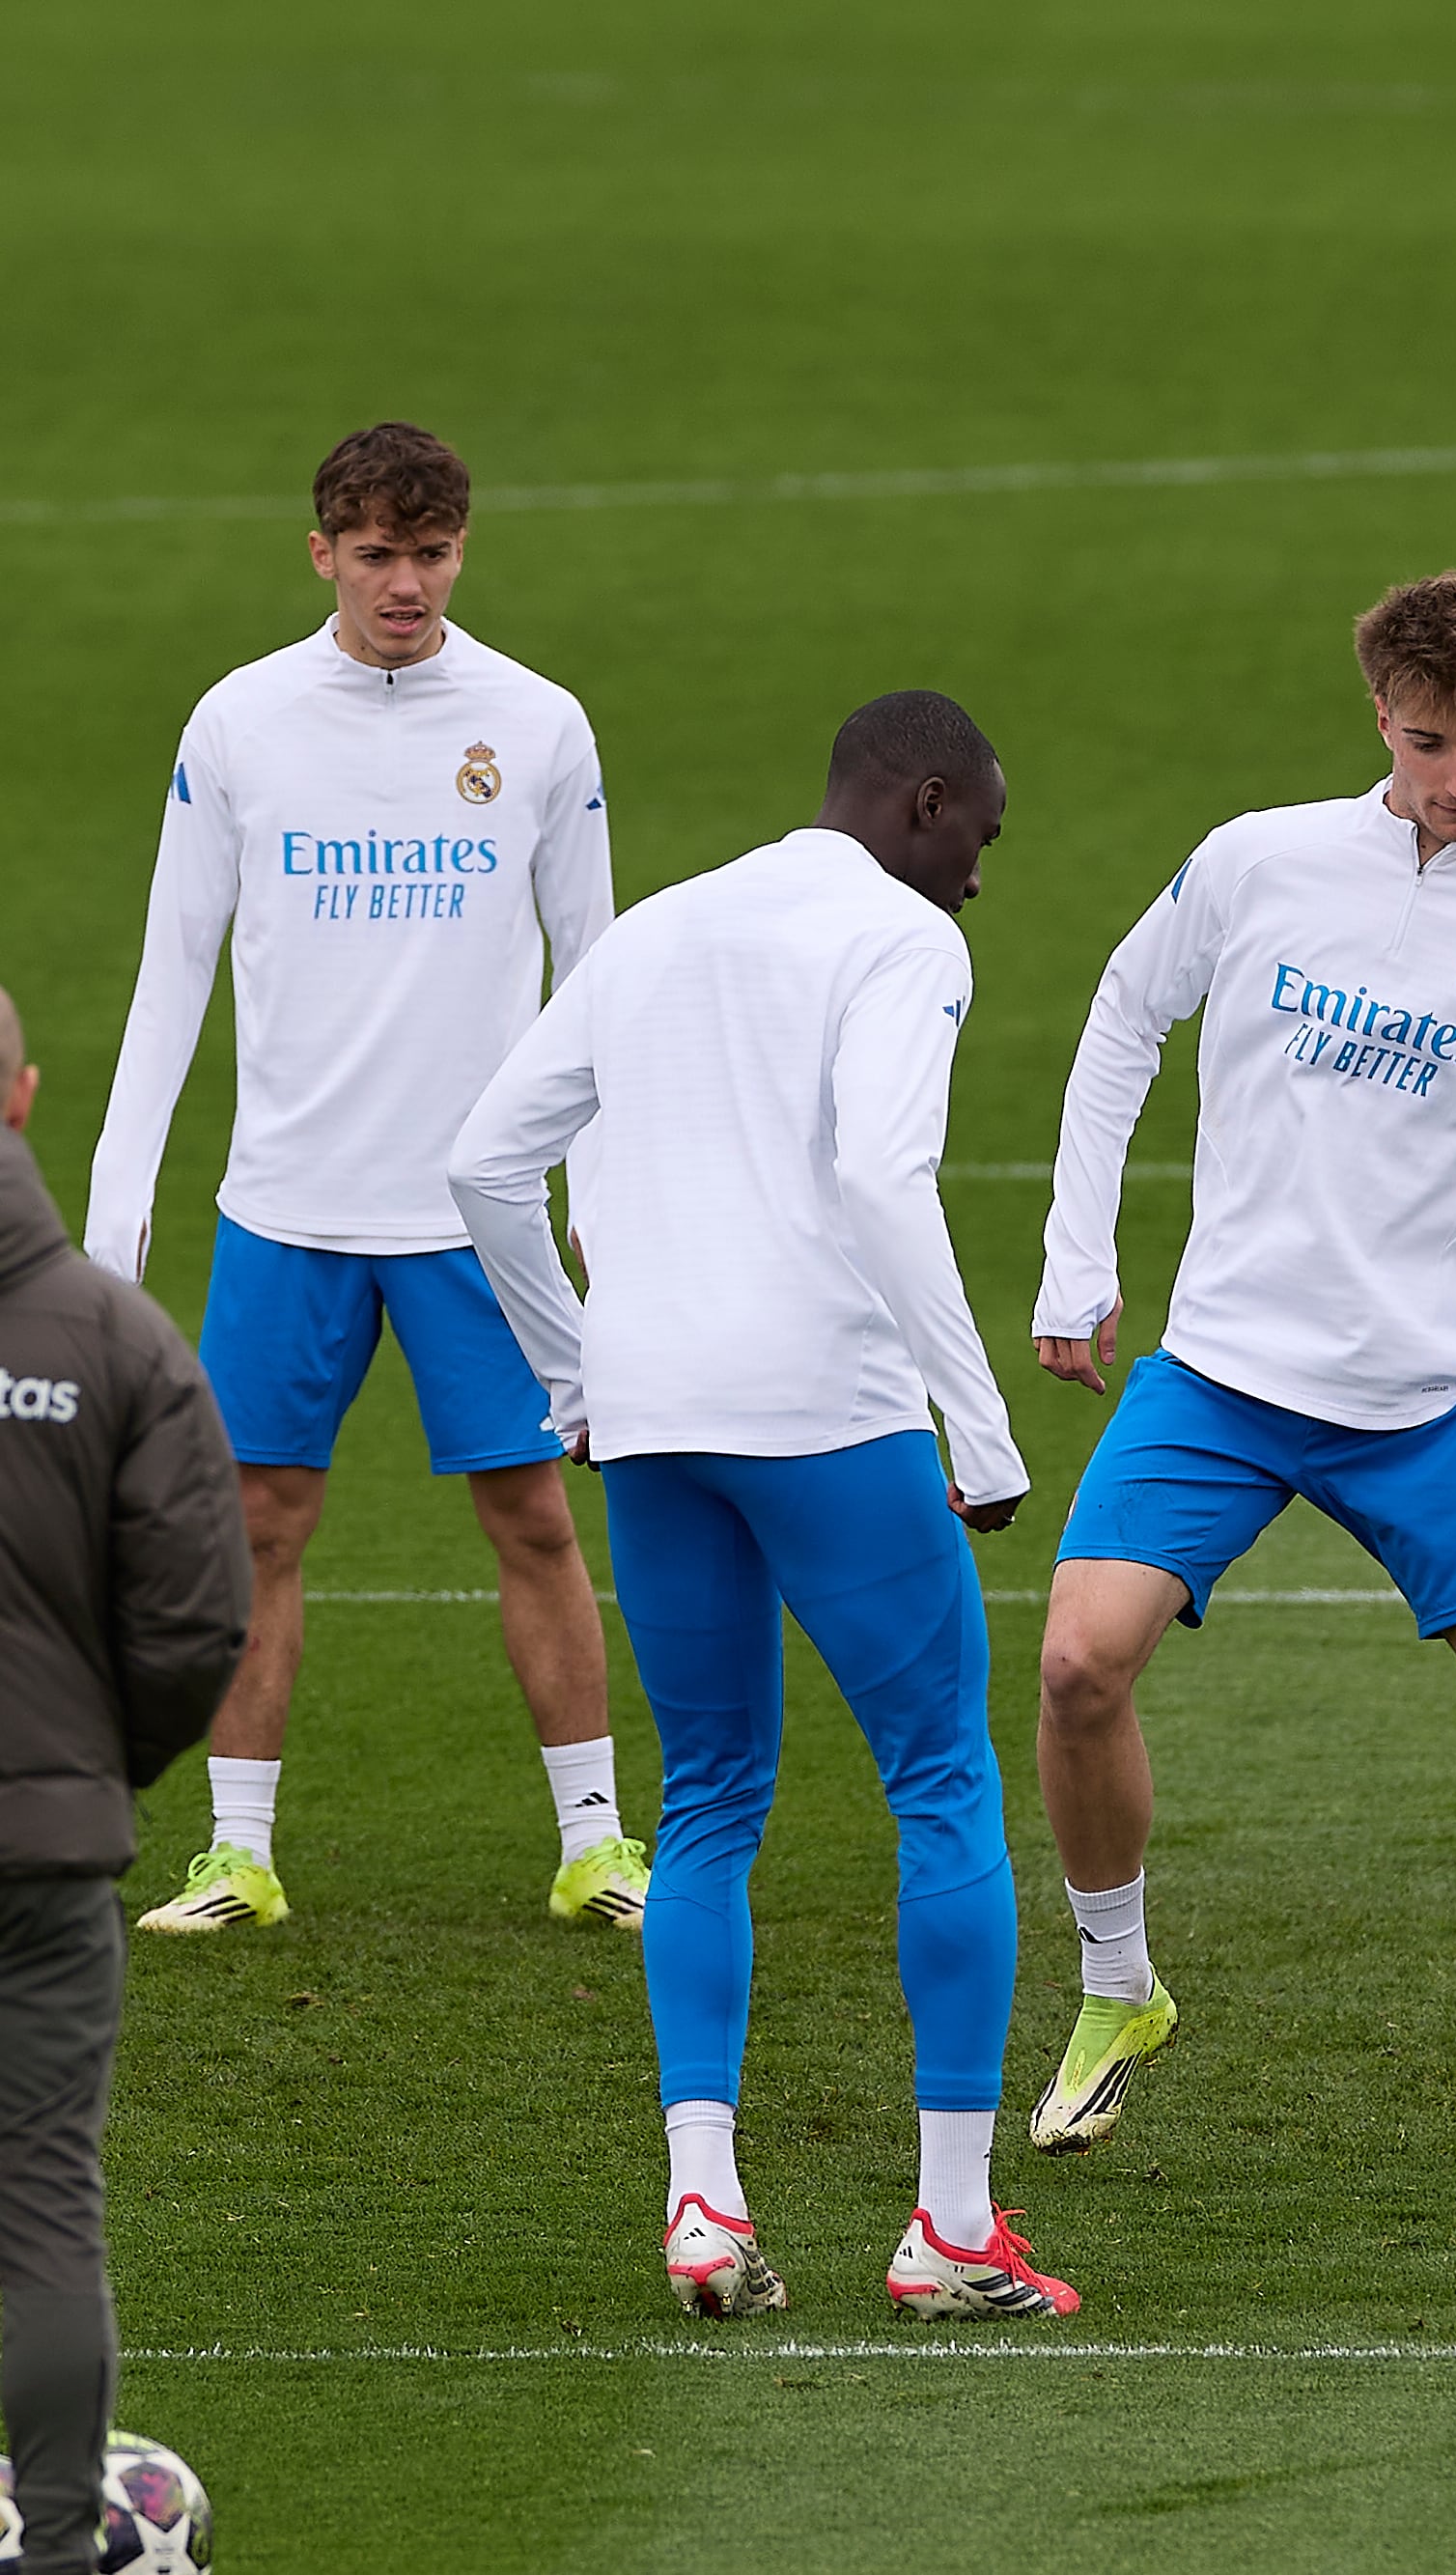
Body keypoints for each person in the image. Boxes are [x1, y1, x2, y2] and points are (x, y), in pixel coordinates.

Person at [1020, 573, 1456, 2158]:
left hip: (1421, 1411)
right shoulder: (1258, 861)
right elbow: (1124, 1015)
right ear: (1379, 716)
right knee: (1075, 1668)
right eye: (1429, 741)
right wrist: (1075, 1260)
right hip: (1218, 1382)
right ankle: (1117, 1988)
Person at [450, 691, 1078, 2319]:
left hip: (655, 1417)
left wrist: (577, 1378)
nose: (982, 876)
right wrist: (980, 1426)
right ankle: (952, 2233)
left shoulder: (656, 927)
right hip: (825, 1412)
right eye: (983, 835)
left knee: (710, 1800)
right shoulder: (905, 940)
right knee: (942, 1782)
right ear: (926, 802)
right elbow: (881, 1175)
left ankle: (704, 2206)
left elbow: (484, 1166)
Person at [87, 422, 638, 1939]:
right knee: (259, 1524)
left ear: (463, 551)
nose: (407, 583)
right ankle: (236, 1856)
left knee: (535, 1517)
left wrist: (603, 1206)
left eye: (432, 553)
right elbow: (170, 974)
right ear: (322, 551)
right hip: (287, 1209)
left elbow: (598, 981)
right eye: (378, 554)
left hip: (479, 1215)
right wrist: (118, 1213)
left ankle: (595, 1844)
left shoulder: (537, 725)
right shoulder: (240, 723)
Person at [0, 983, 250, 2575]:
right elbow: (198, 1621)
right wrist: (95, 1771)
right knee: (40, 2201)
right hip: (45, 1853)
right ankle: (55, 2545)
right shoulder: (116, 1336)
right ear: (23, 1096)